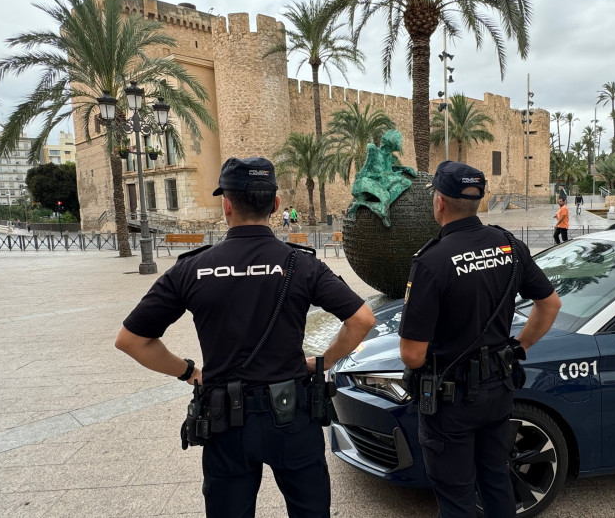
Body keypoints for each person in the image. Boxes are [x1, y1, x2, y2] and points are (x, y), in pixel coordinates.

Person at [116, 157, 375, 518]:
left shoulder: (192, 268)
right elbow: (362, 318)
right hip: (292, 416)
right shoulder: (301, 264)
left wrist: (189, 371)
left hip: (226, 421)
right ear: (276, 205)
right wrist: (324, 362)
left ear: (227, 205)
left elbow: (131, 340)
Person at [399, 161, 561, 518]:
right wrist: (520, 347)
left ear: (439, 202)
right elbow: (550, 304)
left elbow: (412, 355)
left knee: (456, 495)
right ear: (478, 202)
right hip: (498, 389)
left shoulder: (431, 262)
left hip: (451, 400)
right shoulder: (508, 244)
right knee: (496, 480)